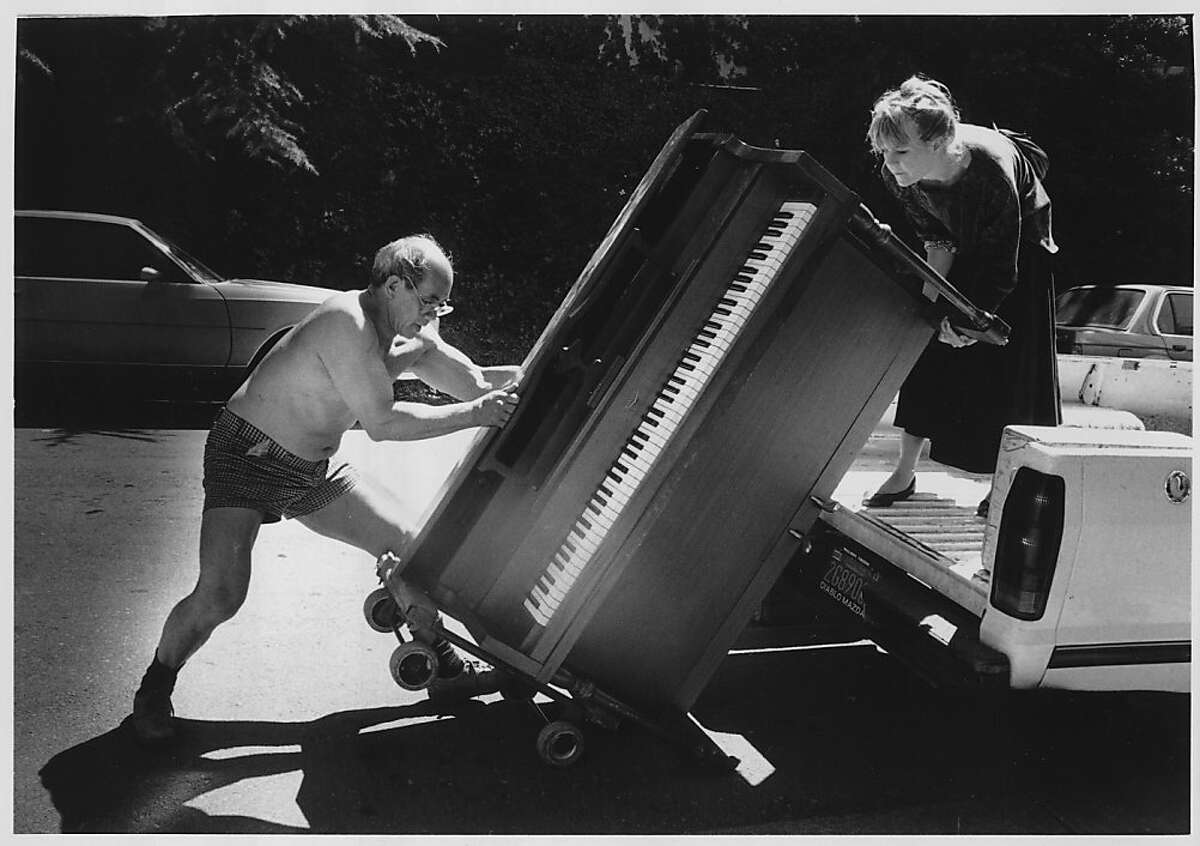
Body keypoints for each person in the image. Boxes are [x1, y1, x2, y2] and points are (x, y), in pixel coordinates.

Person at [129, 234, 522, 743]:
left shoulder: (411, 330)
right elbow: (381, 422)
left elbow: (473, 381)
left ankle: (445, 668)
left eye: (441, 303)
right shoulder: (347, 323)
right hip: (248, 454)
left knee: (410, 546)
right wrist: (475, 416)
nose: (433, 313)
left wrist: (524, 380)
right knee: (222, 595)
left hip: (310, 469)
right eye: (428, 301)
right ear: (395, 285)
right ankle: (155, 685)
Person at [863, 75, 1061, 515]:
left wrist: (974, 325)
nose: (890, 163)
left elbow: (1001, 268)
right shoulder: (898, 174)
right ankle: (904, 471)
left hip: (1019, 255)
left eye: (900, 151)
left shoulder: (989, 172)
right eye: (884, 152)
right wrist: (932, 307)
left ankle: (1006, 485)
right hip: (961, 241)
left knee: (1010, 371)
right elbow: (937, 240)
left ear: (937, 144)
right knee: (926, 346)